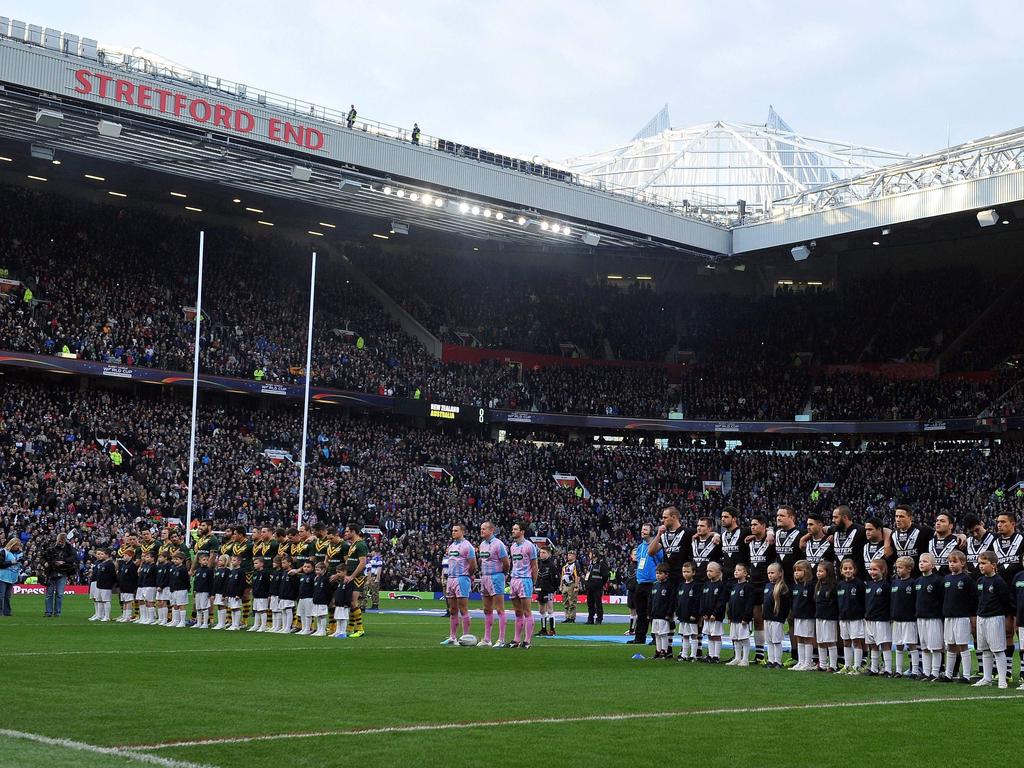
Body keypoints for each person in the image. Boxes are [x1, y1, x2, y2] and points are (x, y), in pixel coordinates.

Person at [974, 550, 1010, 688]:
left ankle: (1002, 679)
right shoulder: (980, 580)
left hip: (995, 618)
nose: (980, 566)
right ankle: (987, 678)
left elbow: (1005, 600)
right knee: (985, 650)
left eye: (983, 563)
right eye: (979, 564)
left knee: (998, 649)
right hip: (981, 617)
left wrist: (1003, 616)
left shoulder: (999, 581)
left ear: (994, 565)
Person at [941, 550, 976, 682]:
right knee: (950, 645)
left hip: (962, 617)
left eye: (954, 562)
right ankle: (948, 674)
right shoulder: (946, 579)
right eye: (950, 562)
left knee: (962, 645)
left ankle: (966, 675)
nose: (951, 564)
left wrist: (972, 616)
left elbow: (973, 599)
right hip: (949, 617)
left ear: (962, 563)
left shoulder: (967, 579)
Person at [747, 515, 775, 663]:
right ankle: (759, 655)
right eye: (751, 525)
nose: (752, 527)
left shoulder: (771, 541)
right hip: (753, 585)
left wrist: (770, 531)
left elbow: (773, 531)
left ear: (764, 526)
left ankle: (772, 656)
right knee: (757, 620)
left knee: (769, 619)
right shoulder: (749, 541)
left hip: (767, 585)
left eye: (755, 524)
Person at [477, 520, 509, 648]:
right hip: (485, 577)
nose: (482, 530)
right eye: (481, 528)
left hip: (496, 577)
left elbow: (506, 563)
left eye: (484, 528)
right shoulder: (482, 544)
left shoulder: (498, 544)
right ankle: (487, 639)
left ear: (491, 530)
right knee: (487, 609)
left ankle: (501, 639)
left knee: (499, 609)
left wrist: (502, 575)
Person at [629, 523, 662, 645]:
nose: (643, 531)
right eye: (642, 529)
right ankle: (639, 638)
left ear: (651, 532)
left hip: (652, 583)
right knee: (641, 613)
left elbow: (660, 561)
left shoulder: (657, 546)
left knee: (653, 612)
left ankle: (655, 638)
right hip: (640, 583)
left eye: (645, 529)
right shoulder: (640, 547)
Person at [508, 521, 539, 649]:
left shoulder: (529, 546)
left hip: (525, 579)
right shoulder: (513, 546)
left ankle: (527, 640)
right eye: (513, 529)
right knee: (517, 612)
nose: (513, 531)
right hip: (514, 579)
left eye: (515, 529)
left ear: (522, 531)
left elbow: (534, 566)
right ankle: (516, 639)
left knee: (527, 611)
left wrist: (533, 582)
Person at [915, 552, 945, 680]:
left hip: (934, 618)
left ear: (933, 565)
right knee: (925, 647)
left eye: (925, 561)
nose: (921, 563)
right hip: (921, 618)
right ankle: (926, 673)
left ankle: (935, 672)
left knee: (935, 647)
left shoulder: (938, 580)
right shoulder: (918, 581)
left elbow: (942, 599)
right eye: (920, 561)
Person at [890, 556, 920, 678]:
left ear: (909, 569)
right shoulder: (894, 582)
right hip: (897, 619)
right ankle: (898, 670)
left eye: (901, 567)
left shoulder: (913, 583)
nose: (898, 570)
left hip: (909, 619)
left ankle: (915, 670)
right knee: (899, 644)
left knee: (912, 644)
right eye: (897, 567)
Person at [837, 558, 866, 674]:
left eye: (850, 568)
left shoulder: (859, 584)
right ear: (841, 571)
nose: (847, 570)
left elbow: (864, 600)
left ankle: (857, 666)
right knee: (846, 641)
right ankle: (847, 665)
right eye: (845, 568)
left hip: (856, 618)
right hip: (843, 618)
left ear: (854, 570)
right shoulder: (840, 585)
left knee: (856, 641)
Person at [864, 559, 892, 676]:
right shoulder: (869, 585)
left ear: (883, 570)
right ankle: (874, 668)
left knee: (884, 643)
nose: (872, 572)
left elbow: (890, 602)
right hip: (869, 619)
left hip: (881, 619)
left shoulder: (886, 585)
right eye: (871, 569)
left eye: (875, 569)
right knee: (872, 644)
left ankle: (888, 669)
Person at [341, 523, 369, 638]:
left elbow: (362, 563)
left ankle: (360, 629)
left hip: (357, 577)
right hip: (351, 576)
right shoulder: (353, 544)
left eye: (347, 531)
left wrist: (352, 576)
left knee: (353, 602)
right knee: (351, 602)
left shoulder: (361, 545)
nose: (345, 533)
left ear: (353, 532)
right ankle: (351, 628)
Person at [789, 560, 817, 672]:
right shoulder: (795, 586)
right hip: (798, 616)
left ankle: (808, 661)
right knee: (799, 638)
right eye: (795, 570)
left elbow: (813, 601)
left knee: (808, 638)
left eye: (799, 570)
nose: (796, 572)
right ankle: (801, 661)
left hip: (808, 616)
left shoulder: (810, 585)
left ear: (806, 571)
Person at [762, 563, 790, 669]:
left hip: (777, 618)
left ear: (780, 573)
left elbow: (786, 606)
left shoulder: (783, 588)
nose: (770, 575)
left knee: (776, 640)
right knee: (769, 640)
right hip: (767, 618)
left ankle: (777, 661)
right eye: (768, 573)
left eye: (772, 573)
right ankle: (770, 660)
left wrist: (781, 617)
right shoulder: (767, 586)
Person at [726, 563, 755, 666]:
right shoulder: (734, 586)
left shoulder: (748, 587)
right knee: (735, 639)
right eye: (735, 570)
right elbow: (730, 602)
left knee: (744, 638)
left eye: (739, 570)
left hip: (743, 618)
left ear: (745, 573)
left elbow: (749, 603)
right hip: (734, 617)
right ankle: (737, 658)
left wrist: (746, 617)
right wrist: (729, 616)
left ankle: (745, 659)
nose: (736, 571)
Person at [813, 560, 839, 672]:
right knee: (820, 641)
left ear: (828, 572)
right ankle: (822, 664)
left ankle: (833, 665)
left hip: (829, 617)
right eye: (817, 571)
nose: (818, 573)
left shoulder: (833, 586)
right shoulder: (818, 586)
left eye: (821, 571)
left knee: (830, 640)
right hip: (819, 616)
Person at [42, 533, 76, 617]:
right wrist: (45, 562)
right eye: (59, 541)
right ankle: (48, 612)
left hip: (62, 572)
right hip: (51, 572)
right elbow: (42, 557)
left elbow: (74, 557)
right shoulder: (51, 547)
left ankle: (57, 612)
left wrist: (64, 561)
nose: (60, 543)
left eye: (62, 541)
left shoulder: (68, 549)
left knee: (59, 594)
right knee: (49, 594)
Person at [699, 561, 727, 663]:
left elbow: (721, 601)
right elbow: (702, 600)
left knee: (716, 635)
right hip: (707, 616)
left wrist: (715, 613)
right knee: (710, 635)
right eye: (707, 571)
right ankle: (710, 655)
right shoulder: (706, 585)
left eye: (711, 571)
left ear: (718, 572)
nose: (708, 573)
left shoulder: (721, 585)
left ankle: (716, 656)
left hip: (716, 616)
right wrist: (703, 613)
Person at [892, 504, 934, 568]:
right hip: (902, 575)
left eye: (901, 516)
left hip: (919, 574)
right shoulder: (893, 534)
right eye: (896, 516)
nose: (897, 519)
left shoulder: (924, 531)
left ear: (910, 518)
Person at [675, 562, 701, 662]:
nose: (685, 574)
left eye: (688, 571)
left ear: (693, 572)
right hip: (682, 615)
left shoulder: (696, 586)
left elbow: (697, 601)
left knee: (694, 635)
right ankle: (684, 654)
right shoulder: (681, 585)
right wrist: (678, 612)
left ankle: (693, 655)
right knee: (684, 635)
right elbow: (678, 600)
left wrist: (694, 614)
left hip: (692, 616)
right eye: (684, 572)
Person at [649, 563, 675, 660]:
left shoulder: (669, 586)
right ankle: (658, 651)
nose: (658, 575)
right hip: (655, 615)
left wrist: (669, 613)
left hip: (663, 615)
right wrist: (649, 612)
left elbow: (671, 601)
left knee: (663, 634)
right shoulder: (655, 586)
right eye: (657, 573)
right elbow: (650, 600)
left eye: (660, 573)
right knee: (656, 634)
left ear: (666, 574)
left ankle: (665, 651)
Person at [536, 547, 558, 637]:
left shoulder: (552, 565)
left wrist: (554, 590)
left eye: (544, 552)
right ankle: (543, 629)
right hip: (540, 590)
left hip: (548, 590)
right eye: (541, 552)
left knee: (550, 609)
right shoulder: (539, 564)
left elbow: (556, 579)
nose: (541, 554)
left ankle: (552, 630)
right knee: (541, 610)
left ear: (549, 554)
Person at [584, 549, 609, 625]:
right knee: (590, 603)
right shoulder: (591, 564)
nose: (589, 555)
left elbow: (605, 576)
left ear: (594, 555)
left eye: (590, 554)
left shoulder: (601, 564)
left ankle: (599, 619)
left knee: (598, 603)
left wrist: (601, 584)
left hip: (597, 588)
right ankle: (590, 619)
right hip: (590, 587)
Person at [0, 538, 24, 616]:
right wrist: (11, 562)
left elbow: (21, 564)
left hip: (12, 577)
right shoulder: (4, 552)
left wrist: (24, 562)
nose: (18, 547)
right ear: (13, 545)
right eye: (17, 546)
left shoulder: (19, 553)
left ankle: (7, 612)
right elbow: (0, 564)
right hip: (2, 577)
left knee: (7, 596)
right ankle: (0, 612)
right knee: (1, 595)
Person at [92, 548, 116, 622]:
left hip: (106, 585)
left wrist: (110, 583)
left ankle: (107, 616)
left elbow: (113, 575)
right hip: (99, 585)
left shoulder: (110, 564)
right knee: (99, 600)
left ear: (107, 555)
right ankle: (99, 615)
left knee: (106, 600)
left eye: (103, 554)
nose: (101, 555)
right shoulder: (102, 563)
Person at [169, 552, 191, 628]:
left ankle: (182, 621)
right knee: (175, 605)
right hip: (174, 589)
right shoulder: (173, 568)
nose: (174, 561)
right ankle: (175, 620)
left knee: (181, 605)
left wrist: (187, 588)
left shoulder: (183, 569)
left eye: (177, 559)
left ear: (182, 560)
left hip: (181, 589)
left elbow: (186, 580)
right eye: (174, 559)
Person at [116, 548, 138, 623]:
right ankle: (124, 615)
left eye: (125, 555)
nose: (124, 557)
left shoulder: (132, 565)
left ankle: (128, 616)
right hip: (123, 586)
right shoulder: (123, 565)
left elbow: (134, 577)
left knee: (128, 601)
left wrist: (133, 587)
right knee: (124, 601)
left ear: (130, 556)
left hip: (129, 586)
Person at [294, 560, 316, 635]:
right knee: (302, 614)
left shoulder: (313, 576)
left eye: (308, 567)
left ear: (313, 568)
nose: (306, 568)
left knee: (308, 614)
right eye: (305, 566)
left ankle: (307, 629)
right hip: (301, 598)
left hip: (309, 598)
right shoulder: (303, 576)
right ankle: (303, 628)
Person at [192, 553, 213, 629]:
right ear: (199, 561)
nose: (205, 561)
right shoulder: (198, 570)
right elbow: (195, 581)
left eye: (207, 560)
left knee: (204, 607)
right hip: (198, 591)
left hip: (205, 591)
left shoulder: (209, 571)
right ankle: (198, 622)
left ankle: (205, 623)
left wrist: (210, 593)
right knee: (198, 607)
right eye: (203, 560)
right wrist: (194, 590)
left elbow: (211, 582)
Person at [560, 551, 581, 623]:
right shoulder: (565, 566)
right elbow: (562, 576)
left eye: (570, 555)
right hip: (565, 585)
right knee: (565, 602)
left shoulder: (575, 565)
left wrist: (576, 585)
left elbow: (577, 576)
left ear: (574, 556)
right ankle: (567, 616)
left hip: (572, 584)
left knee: (572, 601)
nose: (568, 556)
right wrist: (561, 585)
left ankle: (571, 617)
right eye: (568, 555)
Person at [137, 552, 157, 625]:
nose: (145, 558)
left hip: (151, 585)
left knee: (150, 602)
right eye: (145, 557)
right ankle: (145, 617)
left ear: (153, 558)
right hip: (144, 585)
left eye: (148, 557)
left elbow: (155, 577)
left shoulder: (154, 566)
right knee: (146, 602)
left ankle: (151, 618)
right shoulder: (145, 565)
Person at [312, 561, 331, 636]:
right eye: (316, 570)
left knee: (322, 616)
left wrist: (327, 600)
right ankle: (319, 630)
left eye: (318, 569)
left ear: (324, 570)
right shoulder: (316, 578)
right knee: (317, 616)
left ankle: (323, 631)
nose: (317, 571)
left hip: (323, 601)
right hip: (316, 600)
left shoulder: (325, 579)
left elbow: (328, 591)